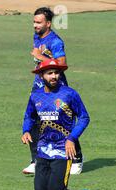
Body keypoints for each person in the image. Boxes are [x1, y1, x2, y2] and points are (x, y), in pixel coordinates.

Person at [21, 59, 92, 190]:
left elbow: (84, 118)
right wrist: (26, 130)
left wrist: (71, 138)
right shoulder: (35, 96)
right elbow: (29, 115)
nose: (54, 76)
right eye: (50, 73)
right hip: (43, 151)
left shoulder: (69, 94)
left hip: (64, 151)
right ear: (41, 75)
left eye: (56, 72)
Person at [23, 7, 84, 176]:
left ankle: (77, 158)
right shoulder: (37, 36)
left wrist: (40, 57)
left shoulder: (56, 41)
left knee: (62, 121)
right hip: (39, 86)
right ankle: (36, 160)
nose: (35, 25)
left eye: (38, 22)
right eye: (34, 22)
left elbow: (62, 64)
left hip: (57, 88)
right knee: (36, 120)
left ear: (48, 24)